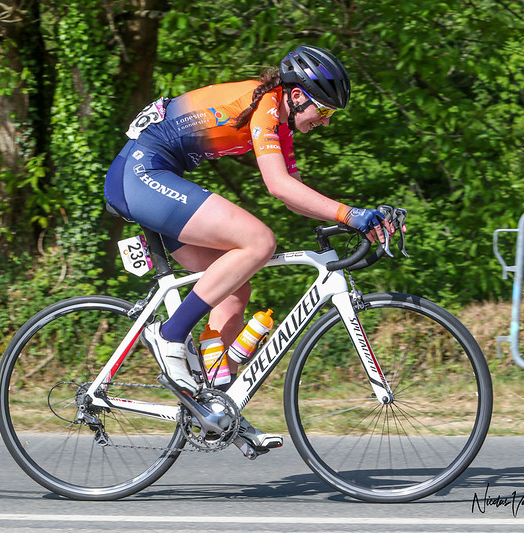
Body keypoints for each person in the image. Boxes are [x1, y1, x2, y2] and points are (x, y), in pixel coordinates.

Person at [105, 45, 393, 453]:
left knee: (235, 288)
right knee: (259, 242)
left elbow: (293, 195)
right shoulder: (266, 105)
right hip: (142, 172)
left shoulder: (281, 125)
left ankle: (216, 408)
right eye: (324, 111)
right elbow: (277, 185)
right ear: (297, 96)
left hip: (155, 176)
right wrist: (351, 215)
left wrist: (355, 217)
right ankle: (169, 336)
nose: (325, 121)